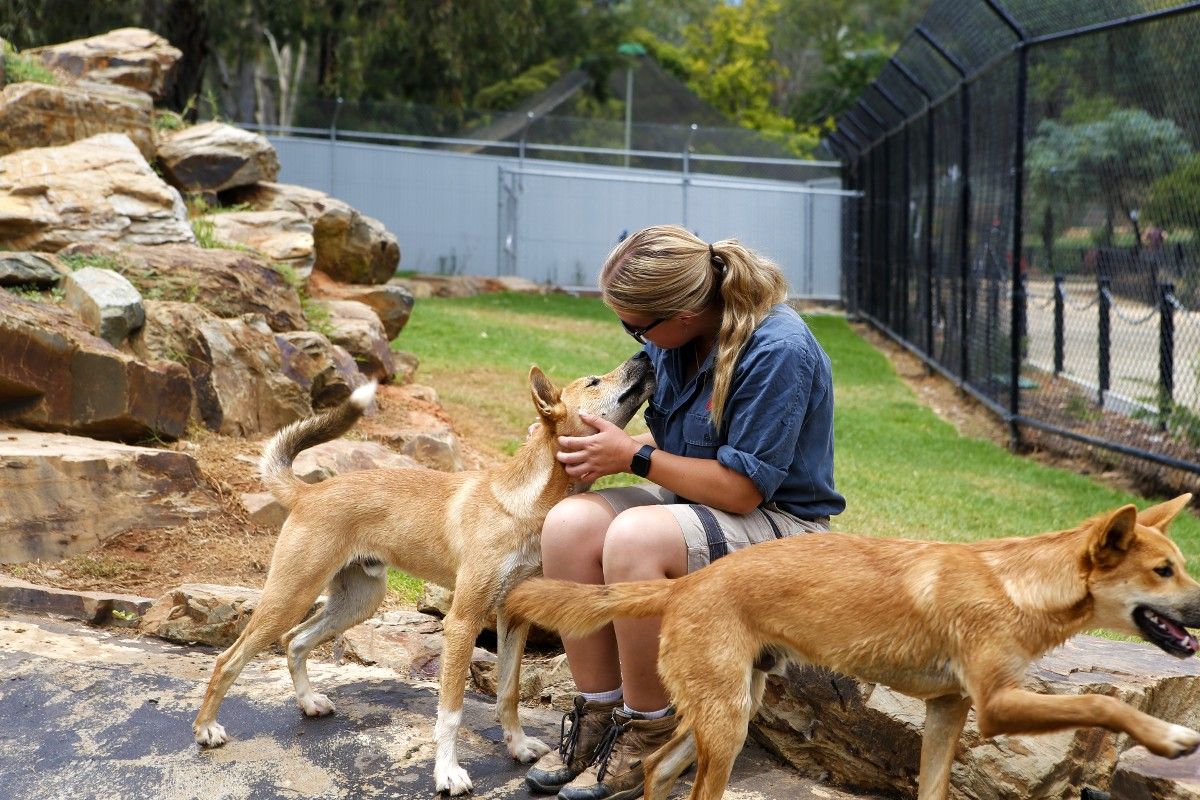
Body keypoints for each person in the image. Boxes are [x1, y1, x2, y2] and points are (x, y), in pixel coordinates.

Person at [524, 224, 845, 800]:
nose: (631, 338)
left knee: (634, 540)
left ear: (687, 310)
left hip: (784, 527)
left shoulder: (778, 350)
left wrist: (634, 458)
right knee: (569, 525)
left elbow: (743, 491)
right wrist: (587, 444)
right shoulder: (672, 341)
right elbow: (651, 431)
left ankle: (650, 733)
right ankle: (599, 716)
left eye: (636, 326)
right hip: (698, 505)